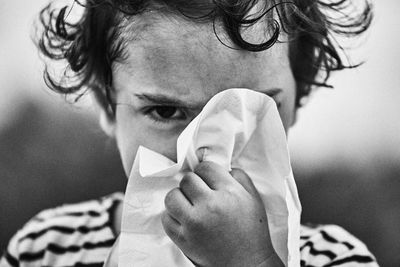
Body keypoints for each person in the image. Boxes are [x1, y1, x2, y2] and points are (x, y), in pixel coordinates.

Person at [1, 0, 379, 266]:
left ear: (297, 102)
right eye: (166, 111)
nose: (207, 155)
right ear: (105, 106)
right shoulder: (47, 248)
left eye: (249, 111)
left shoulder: (335, 257)